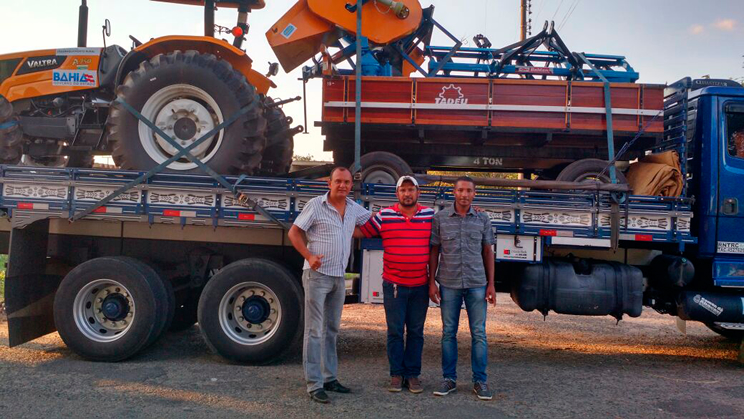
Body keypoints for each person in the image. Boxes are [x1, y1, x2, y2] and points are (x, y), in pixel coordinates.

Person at [288, 167, 372, 404]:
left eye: (346, 182)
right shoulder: (316, 205)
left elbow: (372, 223)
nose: (343, 186)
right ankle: (314, 384)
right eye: (338, 182)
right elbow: (294, 233)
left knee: (331, 329)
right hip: (317, 276)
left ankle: (329, 378)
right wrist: (308, 256)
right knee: (314, 330)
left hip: (338, 277)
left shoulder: (353, 207)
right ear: (329, 183)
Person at [354, 175, 434, 394]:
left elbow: (450, 225)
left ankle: (413, 376)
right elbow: (361, 231)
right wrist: (338, 221)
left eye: (411, 190)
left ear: (418, 193)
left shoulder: (430, 215)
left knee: (416, 332)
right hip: (394, 286)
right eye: (403, 190)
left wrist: (477, 211)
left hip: (420, 286)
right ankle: (396, 375)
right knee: (395, 332)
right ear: (396, 194)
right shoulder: (384, 215)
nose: (407, 194)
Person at [428, 176, 496, 401]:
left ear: (474, 194)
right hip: (449, 284)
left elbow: (488, 251)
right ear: (453, 193)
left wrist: (491, 284)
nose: (464, 195)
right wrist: (431, 282)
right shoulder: (440, 218)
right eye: (460, 190)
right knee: (448, 333)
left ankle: (480, 381)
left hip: (477, 283)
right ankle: (449, 379)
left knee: (479, 334)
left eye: (469, 191)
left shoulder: (483, 218)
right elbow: (434, 251)